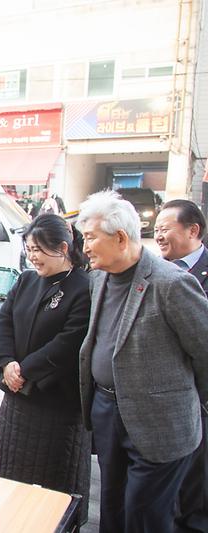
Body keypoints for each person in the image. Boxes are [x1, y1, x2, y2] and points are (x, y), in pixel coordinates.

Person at [77, 190, 208, 533]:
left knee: (144, 514)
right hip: (107, 410)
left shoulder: (172, 284)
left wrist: (191, 402)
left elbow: (205, 351)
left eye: (90, 237)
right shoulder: (99, 278)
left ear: (120, 237)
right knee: (111, 505)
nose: (85, 247)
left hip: (159, 422)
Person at [0, 214, 91, 525]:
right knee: (9, 474)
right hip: (16, 402)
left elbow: (69, 342)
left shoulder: (83, 288)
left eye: (39, 250)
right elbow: (4, 321)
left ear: (62, 248)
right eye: (29, 249)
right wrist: (6, 363)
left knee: (52, 489)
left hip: (56, 405)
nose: (32, 257)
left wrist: (25, 370)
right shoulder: (26, 280)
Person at [154, 199, 208, 532]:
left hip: (200, 396)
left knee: (197, 478)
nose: (158, 236)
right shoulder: (154, 270)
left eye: (165, 229)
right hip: (163, 398)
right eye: (156, 229)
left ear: (193, 230)